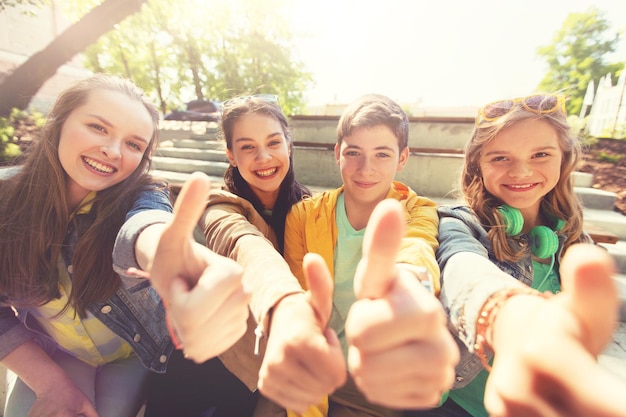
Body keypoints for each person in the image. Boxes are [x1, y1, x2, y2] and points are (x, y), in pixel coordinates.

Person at [0, 74, 248, 417]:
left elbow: (146, 226)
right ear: (59, 123)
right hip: (53, 351)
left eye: (134, 144)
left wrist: (164, 254)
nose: (113, 151)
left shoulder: (144, 194)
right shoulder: (6, 200)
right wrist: (52, 385)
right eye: (98, 128)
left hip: (133, 353)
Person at [414, 93, 626, 417]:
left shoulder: (574, 239)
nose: (521, 171)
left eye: (540, 154)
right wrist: (508, 317)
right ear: (477, 165)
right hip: (455, 406)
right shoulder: (460, 223)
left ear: (564, 158)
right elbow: (461, 266)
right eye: (500, 158)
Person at [144, 94, 348, 417]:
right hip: (211, 360)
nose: (264, 157)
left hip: (266, 373)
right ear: (231, 155)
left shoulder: (313, 211)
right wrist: (286, 306)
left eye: (273, 142)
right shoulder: (220, 205)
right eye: (248, 147)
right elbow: (245, 246)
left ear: (288, 144)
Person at [282, 94, 459, 417]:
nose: (366, 169)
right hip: (312, 371)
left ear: (402, 158)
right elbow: (297, 301)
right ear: (337, 153)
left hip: (375, 383)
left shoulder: (419, 212)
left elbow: (416, 250)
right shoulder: (304, 216)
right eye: (354, 153)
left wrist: (409, 283)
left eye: (382, 154)